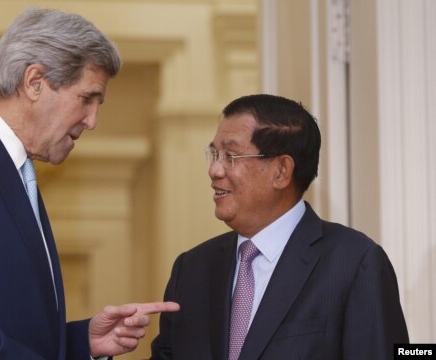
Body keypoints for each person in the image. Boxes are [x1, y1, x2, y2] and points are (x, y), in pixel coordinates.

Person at [0, 7, 178, 360]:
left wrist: (81, 341)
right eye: (87, 99)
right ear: (34, 82)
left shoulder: (11, 169)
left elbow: (6, 323)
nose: (92, 121)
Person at [150, 94, 408, 359]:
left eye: (231, 156)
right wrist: (103, 353)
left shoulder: (354, 263)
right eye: (214, 154)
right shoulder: (192, 269)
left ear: (282, 171)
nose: (214, 170)